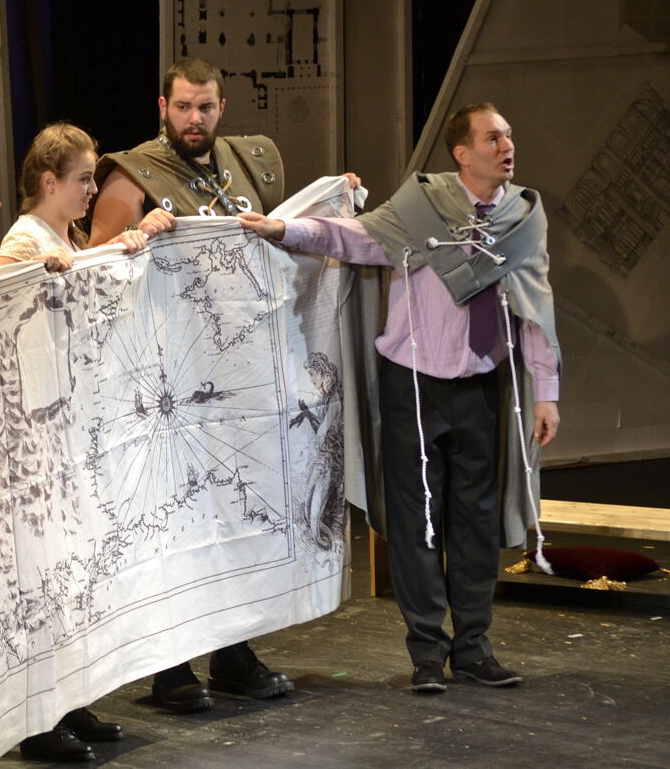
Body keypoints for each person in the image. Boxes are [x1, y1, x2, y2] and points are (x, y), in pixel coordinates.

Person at [240, 102, 561, 693]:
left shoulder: (521, 217)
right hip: (412, 382)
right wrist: (285, 230)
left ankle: (474, 649)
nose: (507, 146)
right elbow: (353, 238)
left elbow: (535, 306)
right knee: (419, 523)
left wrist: (547, 392)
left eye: (509, 136)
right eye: (493, 138)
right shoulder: (419, 208)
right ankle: (427, 654)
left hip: (481, 384)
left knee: (476, 521)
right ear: (462, 153)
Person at [87, 57, 302, 713]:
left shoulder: (251, 162)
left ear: (221, 107)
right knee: (177, 525)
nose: (194, 119)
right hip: (169, 383)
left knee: (237, 517)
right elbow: (98, 262)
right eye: (182, 107)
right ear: (163, 107)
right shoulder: (134, 174)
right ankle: (171, 669)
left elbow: (279, 241)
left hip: (241, 377)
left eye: (205, 107)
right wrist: (136, 232)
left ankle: (233, 654)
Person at [0, 122, 144, 763]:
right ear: (49, 182)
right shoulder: (25, 240)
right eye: (83, 179)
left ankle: (68, 700)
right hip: (34, 432)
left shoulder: (66, 238)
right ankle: (35, 720)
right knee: (43, 577)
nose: (91, 190)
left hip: (64, 427)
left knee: (71, 574)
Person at [0, 123, 147, 275]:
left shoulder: (69, 232)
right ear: (50, 183)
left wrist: (117, 245)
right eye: (85, 179)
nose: (94, 189)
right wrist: (34, 269)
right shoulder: (26, 237)